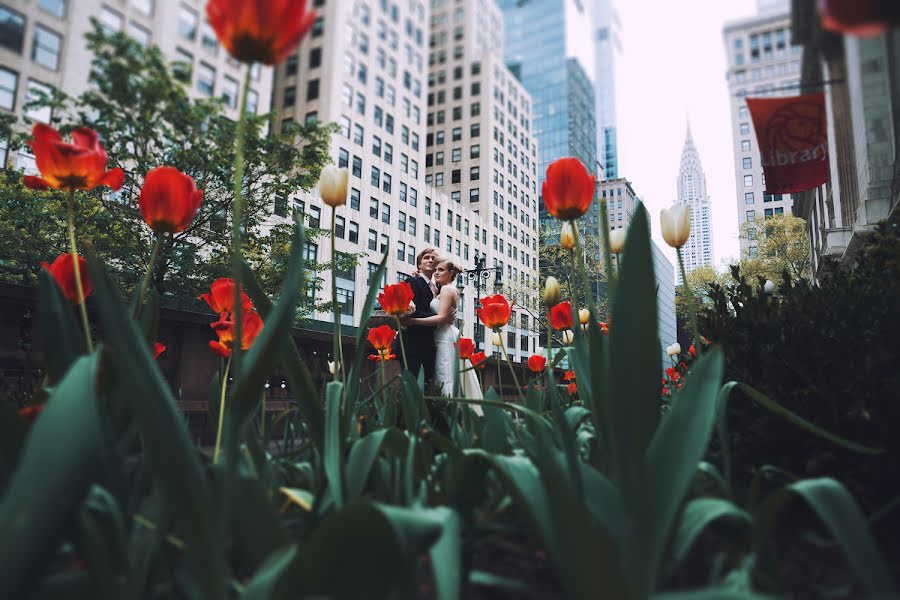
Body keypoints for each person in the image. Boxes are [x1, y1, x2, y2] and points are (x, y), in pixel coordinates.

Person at [403, 259, 483, 411]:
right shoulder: (443, 289)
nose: (436, 273)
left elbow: (441, 318)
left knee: (445, 375)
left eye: (440, 270)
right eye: (435, 270)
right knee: (444, 374)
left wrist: (412, 321)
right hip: (441, 336)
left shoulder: (447, 290)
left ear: (450, 273)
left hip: (445, 337)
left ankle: (449, 411)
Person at [401, 247, 440, 382]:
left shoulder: (438, 287)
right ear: (419, 265)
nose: (430, 260)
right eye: (426, 257)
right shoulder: (412, 281)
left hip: (431, 346)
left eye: (433, 258)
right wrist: (438, 319)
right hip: (413, 346)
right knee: (412, 387)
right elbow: (409, 311)